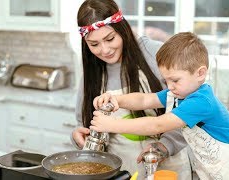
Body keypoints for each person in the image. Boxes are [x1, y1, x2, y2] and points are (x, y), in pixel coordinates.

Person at [91, 32, 229, 180]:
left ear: (200, 73)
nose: (169, 86)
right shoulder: (178, 93)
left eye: (174, 80)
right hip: (216, 171)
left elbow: (157, 124)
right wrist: (117, 99)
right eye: (165, 80)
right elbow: (144, 100)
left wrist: (112, 125)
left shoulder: (201, 102)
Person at [70, 0, 192, 179]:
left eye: (110, 39)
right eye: (94, 44)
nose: (105, 50)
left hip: (168, 168)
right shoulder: (92, 72)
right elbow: (83, 122)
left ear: (122, 29)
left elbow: (190, 108)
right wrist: (78, 135)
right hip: (121, 170)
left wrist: (166, 145)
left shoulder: (155, 53)